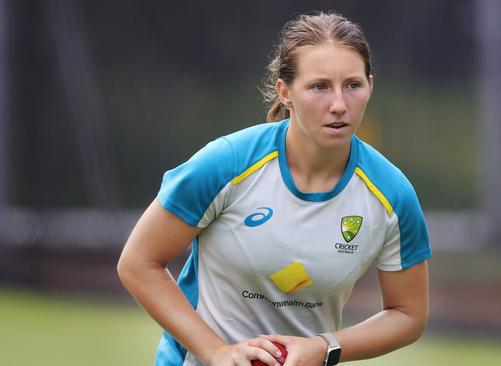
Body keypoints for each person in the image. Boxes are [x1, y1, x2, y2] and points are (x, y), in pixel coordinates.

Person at [117, 11, 431, 366]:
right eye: (319, 86)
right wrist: (216, 351)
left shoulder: (393, 196)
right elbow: (138, 262)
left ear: (370, 86)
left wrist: (323, 347)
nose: (340, 104)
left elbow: (408, 314)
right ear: (285, 92)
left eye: (353, 85)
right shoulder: (227, 164)